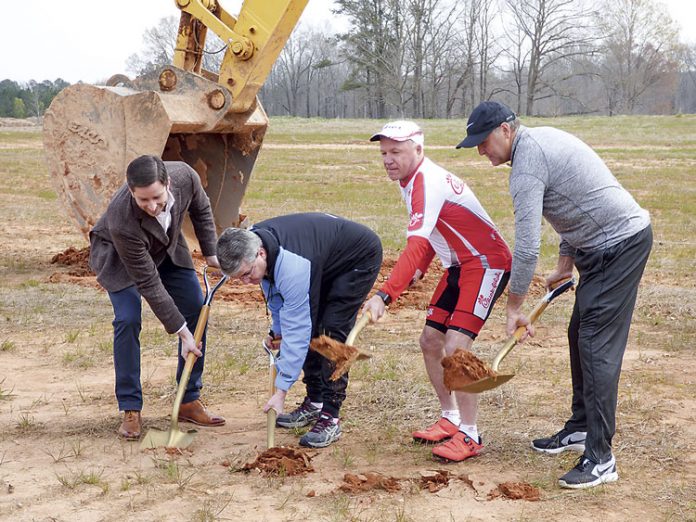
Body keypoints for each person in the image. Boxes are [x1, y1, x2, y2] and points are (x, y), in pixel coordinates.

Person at [456, 101, 652, 489]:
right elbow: (569, 201)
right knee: (579, 334)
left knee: (595, 345)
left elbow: (526, 248)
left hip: (620, 245)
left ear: (506, 130)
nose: (481, 150)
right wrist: (566, 261)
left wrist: (514, 307)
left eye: (483, 141)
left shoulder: (528, 163)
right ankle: (581, 427)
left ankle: (601, 458)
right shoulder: (536, 147)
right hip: (595, 248)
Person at [362, 121, 512, 462]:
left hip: (487, 263)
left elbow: (416, 243)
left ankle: (471, 435)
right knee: (430, 341)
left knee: (456, 347)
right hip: (458, 266)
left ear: (418, 150)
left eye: (396, 151)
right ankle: (450, 418)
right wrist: (417, 270)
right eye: (384, 152)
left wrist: (385, 294)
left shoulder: (427, 181)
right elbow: (431, 236)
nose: (388, 159)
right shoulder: (409, 180)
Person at [215, 212, 382, 448]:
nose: (246, 282)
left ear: (261, 253)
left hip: (355, 259)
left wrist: (281, 391)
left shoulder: (291, 266)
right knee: (310, 327)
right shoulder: (254, 245)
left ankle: (331, 415)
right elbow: (275, 295)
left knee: (330, 333)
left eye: (247, 274)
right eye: (238, 278)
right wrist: (277, 331)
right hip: (320, 259)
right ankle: (315, 402)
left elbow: (298, 329)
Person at [89, 155, 226, 440]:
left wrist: (211, 253)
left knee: (196, 307)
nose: (151, 207)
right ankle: (130, 407)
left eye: (157, 199)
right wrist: (182, 333)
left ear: (168, 184)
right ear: (130, 192)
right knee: (128, 320)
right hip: (121, 259)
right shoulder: (121, 218)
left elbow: (201, 208)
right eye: (143, 201)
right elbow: (148, 282)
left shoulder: (186, 176)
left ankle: (188, 399)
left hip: (166, 249)